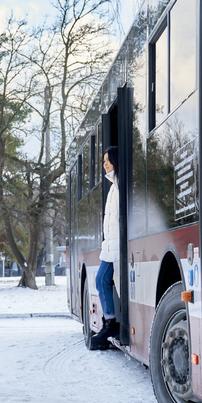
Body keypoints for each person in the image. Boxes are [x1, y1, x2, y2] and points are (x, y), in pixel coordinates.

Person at [91, 147, 121, 348]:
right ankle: (110, 321)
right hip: (110, 246)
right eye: (103, 161)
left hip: (116, 247)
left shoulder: (120, 186)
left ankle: (110, 322)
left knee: (101, 279)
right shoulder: (112, 187)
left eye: (108, 160)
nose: (105, 164)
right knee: (101, 280)